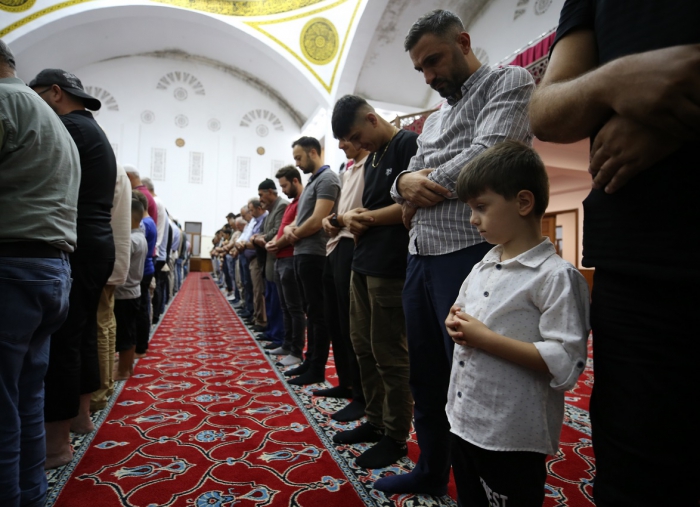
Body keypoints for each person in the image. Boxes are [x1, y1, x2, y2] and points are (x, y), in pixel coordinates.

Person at [528, 3, 699, 505]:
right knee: (631, 473)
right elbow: (546, 110)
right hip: (634, 264)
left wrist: (671, 120)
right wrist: (616, 81)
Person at [380, 9, 535, 495]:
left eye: (434, 60)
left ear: (464, 43)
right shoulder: (434, 119)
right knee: (425, 376)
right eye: (420, 69)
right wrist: (404, 184)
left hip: (469, 251)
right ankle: (431, 471)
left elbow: (488, 158)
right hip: (420, 255)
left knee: (471, 380)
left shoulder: (508, 82)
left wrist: (417, 185)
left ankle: (477, 490)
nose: (429, 76)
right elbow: (403, 179)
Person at [445, 140, 589, 505]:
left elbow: (565, 361)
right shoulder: (483, 264)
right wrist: (455, 320)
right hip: (465, 418)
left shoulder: (555, 276)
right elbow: (462, 309)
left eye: (481, 207)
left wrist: (484, 338)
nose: (472, 219)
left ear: (523, 202)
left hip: (511, 432)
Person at [0, 41, 79, 507]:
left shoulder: (5, 101)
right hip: (51, 269)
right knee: (28, 396)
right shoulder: (54, 120)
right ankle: (31, 495)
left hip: (13, 267)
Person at [30, 68, 116, 470]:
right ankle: (80, 417)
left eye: (36, 97)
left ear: (55, 93)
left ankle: (56, 445)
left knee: (64, 339)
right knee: (80, 334)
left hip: (80, 242)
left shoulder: (68, 128)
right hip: (97, 242)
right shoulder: (91, 129)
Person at [330, 95, 418, 468]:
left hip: (390, 266)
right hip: (363, 262)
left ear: (371, 118)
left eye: (355, 136)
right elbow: (375, 207)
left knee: (389, 354)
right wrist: (356, 217)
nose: (356, 145)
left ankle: (395, 437)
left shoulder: (408, 144)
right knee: (363, 347)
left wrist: (362, 218)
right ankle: (375, 420)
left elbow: (410, 206)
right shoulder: (376, 156)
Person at [316, 139, 369, 422]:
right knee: (335, 321)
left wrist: (338, 220)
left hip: (352, 245)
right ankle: (346, 382)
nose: (341, 144)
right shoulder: (346, 171)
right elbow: (339, 213)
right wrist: (330, 220)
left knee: (352, 325)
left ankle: (361, 395)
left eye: (347, 137)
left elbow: (360, 211)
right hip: (334, 246)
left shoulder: (372, 164)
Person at [284, 137, 341, 386]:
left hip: (315, 254)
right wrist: (291, 229)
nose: (297, 163)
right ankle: (309, 361)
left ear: (313, 152)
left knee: (318, 314)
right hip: (302, 252)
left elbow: (318, 220)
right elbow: (300, 219)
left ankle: (317, 367)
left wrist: (294, 233)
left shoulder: (328, 179)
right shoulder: (313, 181)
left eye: (299, 158)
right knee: (310, 311)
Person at [90, 163, 132, 414]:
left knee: (100, 325)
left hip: (100, 260)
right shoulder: (118, 171)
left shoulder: (109, 168)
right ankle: (103, 387)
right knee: (106, 323)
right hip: (110, 260)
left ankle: (98, 391)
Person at [266, 166, 306, 367]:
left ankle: (296, 351)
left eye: (284, 186)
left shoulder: (303, 201)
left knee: (294, 308)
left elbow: (295, 231)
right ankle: (287, 344)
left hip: (290, 258)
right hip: (280, 259)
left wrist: (276, 244)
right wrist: (273, 241)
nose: (282, 190)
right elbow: (281, 230)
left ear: (295, 181)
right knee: (285, 307)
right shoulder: (291, 204)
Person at [114, 198, 148, 380]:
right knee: (130, 332)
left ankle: (123, 370)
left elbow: (120, 266)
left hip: (124, 293)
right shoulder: (140, 237)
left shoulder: (131, 240)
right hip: (134, 290)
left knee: (125, 334)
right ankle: (128, 367)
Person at [255, 179, 288, 349]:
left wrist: (261, 238)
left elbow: (277, 232)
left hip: (277, 260)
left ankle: (278, 336)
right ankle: (271, 331)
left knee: (277, 302)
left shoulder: (282, 206)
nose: (260, 199)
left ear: (270, 191)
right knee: (269, 299)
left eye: (261, 195)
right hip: (269, 262)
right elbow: (264, 232)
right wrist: (259, 237)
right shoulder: (270, 211)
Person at [133, 190, 157, 358]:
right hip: (147, 267)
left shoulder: (144, 224)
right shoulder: (150, 222)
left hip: (142, 269)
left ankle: (140, 347)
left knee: (140, 309)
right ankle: (142, 344)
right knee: (143, 307)